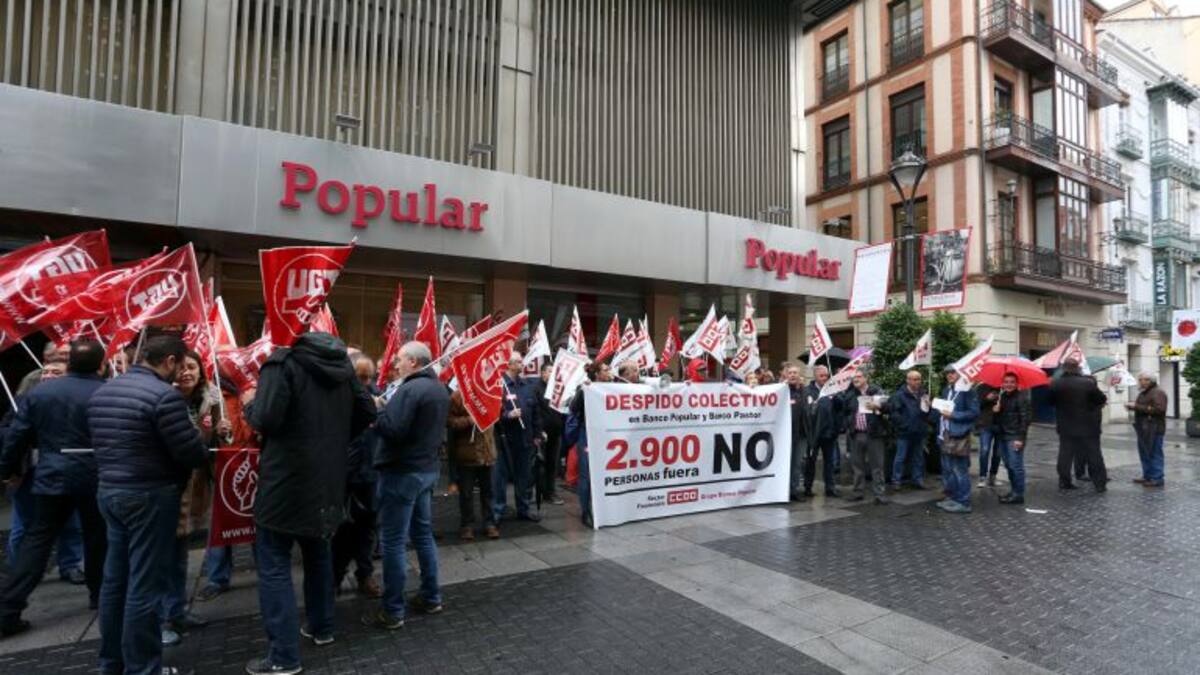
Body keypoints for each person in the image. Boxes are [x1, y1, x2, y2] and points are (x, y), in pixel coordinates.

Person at [242, 331, 376, 674]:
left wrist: (249, 405)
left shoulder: (282, 363)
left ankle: (283, 657)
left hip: (285, 480)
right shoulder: (344, 367)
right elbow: (365, 410)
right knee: (318, 553)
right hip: (328, 478)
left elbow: (266, 419)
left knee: (273, 564)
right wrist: (335, 437)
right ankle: (322, 627)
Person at [88, 334, 210, 675]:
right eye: (178, 365)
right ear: (169, 361)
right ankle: (143, 668)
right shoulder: (163, 397)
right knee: (145, 584)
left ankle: (112, 662)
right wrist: (201, 439)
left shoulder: (104, 391)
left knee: (115, 581)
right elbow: (191, 452)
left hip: (110, 491)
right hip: (150, 496)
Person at [0, 340, 108, 637]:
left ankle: (8, 608)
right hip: (95, 474)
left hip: (52, 474)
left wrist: (7, 470)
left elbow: (17, 437)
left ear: (69, 363)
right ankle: (99, 596)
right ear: (101, 364)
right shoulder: (107, 391)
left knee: (37, 542)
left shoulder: (39, 393)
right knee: (97, 537)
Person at [363, 341, 449, 631]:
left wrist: (377, 412)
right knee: (423, 534)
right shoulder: (438, 388)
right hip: (426, 471)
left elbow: (394, 430)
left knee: (393, 541)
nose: (395, 364)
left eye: (399, 359)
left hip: (402, 473)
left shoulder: (410, 389)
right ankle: (431, 596)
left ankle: (393, 611)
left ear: (413, 362)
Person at [4, 358, 86, 586]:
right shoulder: (22, 401)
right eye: (46, 371)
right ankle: (19, 569)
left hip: (65, 469)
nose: (48, 375)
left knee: (71, 522)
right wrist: (7, 469)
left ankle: (70, 565)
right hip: (29, 471)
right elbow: (8, 436)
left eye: (55, 372)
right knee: (25, 524)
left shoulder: (75, 401)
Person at [160, 351, 222, 648]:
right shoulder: (163, 398)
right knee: (159, 559)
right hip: (168, 486)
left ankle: (177, 612)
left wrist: (221, 432)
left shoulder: (211, 398)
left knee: (180, 556)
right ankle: (158, 621)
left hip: (196, 485)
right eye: (182, 367)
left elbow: (218, 445)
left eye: (192, 367)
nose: (186, 372)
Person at [197, 376, 258, 602]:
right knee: (220, 523)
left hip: (252, 464)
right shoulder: (210, 395)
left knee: (256, 520)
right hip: (221, 468)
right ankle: (217, 578)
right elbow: (201, 431)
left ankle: (268, 570)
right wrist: (214, 431)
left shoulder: (253, 390)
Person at [331, 353, 384, 600]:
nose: (365, 382)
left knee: (368, 530)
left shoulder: (378, 397)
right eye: (360, 377)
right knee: (342, 532)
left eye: (368, 377)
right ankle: (335, 577)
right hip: (344, 478)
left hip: (370, 477)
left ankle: (365, 574)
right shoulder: (337, 398)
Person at [492, 353, 543, 524]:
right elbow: (492, 413)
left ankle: (523, 508)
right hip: (503, 439)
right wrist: (507, 415)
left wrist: (537, 434)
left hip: (525, 439)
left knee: (524, 475)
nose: (523, 364)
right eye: (519, 362)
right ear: (509, 364)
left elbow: (536, 412)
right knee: (500, 477)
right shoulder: (498, 385)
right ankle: (498, 510)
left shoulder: (527, 386)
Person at [1048, 358, 1108, 492]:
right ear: (1078, 368)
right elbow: (1101, 399)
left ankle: (1064, 481)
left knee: (1065, 455)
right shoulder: (1087, 383)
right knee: (1094, 454)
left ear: (1064, 368)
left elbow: (1050, 402)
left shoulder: (1056, 384)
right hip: (1088, 426)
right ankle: (1100, 483)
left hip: (1066, 426)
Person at [565, 361, 612, 527]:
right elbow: (573, 407)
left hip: (607, 435)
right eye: (606, 369)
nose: (609, 372)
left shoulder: (614, 387)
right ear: (597, 374)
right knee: (586, 475)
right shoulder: (586, 388)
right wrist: (584, 390)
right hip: (588, 435)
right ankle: (586, 511)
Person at [447, 389, 498, 540]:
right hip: (466, 453)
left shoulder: (489, 393)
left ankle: (489, 523)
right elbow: (449, 421)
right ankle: (467, 524)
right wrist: (469, 420)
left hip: (487, 451)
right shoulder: (457, 396)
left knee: (488, 491)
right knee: (467, 493)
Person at [933, 366, 980, 514]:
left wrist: (953, 415)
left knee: (959, 470)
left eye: (953, 372)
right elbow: (943, 410)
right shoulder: (947, 390)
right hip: (944, 435)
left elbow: (974, 412)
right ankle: (953, 498)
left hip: (958, 436)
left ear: (960, 374)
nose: (949, 375)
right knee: (948, 470)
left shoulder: (968, 391)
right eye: (947, 372)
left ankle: (964, 502)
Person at [840, 371, 889, 504]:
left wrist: (878, 406)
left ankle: (879, 494)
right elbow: (844, 412)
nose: (856, 379)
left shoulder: (876, 391)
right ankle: (858, 492)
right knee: (857, 466)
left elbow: (888, 406)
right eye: (854, 377)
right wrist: (848, 425)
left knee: (877, 466)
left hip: (874, 434)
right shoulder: (850, 395)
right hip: (856, 435)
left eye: (859, 377)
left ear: (866, 378)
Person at [884, 370, 931, 491]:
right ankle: (896, 480)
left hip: (919, 431)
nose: (916, 382)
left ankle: (917, 479)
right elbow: (894, 414)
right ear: (907, 380)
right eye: (913, 379)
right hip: (905, 432)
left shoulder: (923, 394)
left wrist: (928, 407)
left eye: (918, 379)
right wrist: (904, 425)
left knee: (918, 457)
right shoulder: (899, 395)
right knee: (900, 457)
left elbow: (925, 413)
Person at [992, 373, 1032, 505]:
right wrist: (996, 411)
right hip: (1003, 436)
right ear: (1002, 383)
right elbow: (998, 420)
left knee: (1016, 466)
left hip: (1014, 437)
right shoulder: (1002, 397)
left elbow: (1025, 419)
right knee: (1009, 466)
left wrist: (1020, 439)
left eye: (1012, 382)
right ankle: (1014, 491)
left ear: (1016, 384)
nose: (1009, 384)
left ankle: (1018, 494)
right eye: (1006, 382)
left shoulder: (1021, 397)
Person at [803, 365, 841, 498]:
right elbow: (806, 411)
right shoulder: (808, 391)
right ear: (815, 376)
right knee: (810, 461)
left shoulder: (832, 390)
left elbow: (840, 407)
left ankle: (830, 488)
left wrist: (836, 396)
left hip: (829, 433)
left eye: (826, 376)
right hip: (813, 433)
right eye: (822, 376)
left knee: (829, 462)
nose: (825, 378)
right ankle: (807, 487)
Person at [1127, 372, 1167, 488]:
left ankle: (1157, 478)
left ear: (1149, 381)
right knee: (1145, 452)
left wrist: (1136, 407)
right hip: (1144, 428)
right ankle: (1147, 475)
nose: (1140, 382)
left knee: (1155, 453)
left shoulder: (1158, 392)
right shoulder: (1145, 392)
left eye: (1142, 380)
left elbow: (1160, 409)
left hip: (1154, 428)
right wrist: (1133, 406)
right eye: (1139, 380)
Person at [534, 362, 565, 506]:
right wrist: (540, 431)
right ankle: (539, 493)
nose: (552, 374)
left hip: (556, 432)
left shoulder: (557, 389)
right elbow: (536, 412)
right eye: (549, 371)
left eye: (554, 372)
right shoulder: (536, 389)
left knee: (553, 464)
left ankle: (550, 492)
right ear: (542, 373)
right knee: (540, 465)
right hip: (542, 433)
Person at [782, 364, 809, 501]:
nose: (792, 375)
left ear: (799, 376)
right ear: (786, 375)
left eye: (795, 373)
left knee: (797, 464)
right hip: (786, 434)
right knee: (786, 463)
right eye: (790, 373)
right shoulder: (781, 390)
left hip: (801, 434)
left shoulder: (804, 391)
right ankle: (783, 491)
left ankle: (794, 490)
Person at [974, 383, 1005, 488]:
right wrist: (987, 399)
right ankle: (982, 476)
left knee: (998, 453)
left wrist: (1001, 406)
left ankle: (993, 476)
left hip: (1001, 425)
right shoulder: (981, 388)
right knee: (984, 450)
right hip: (986, 424)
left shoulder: (1004, 388)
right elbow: (976, 406)